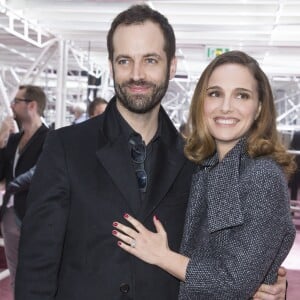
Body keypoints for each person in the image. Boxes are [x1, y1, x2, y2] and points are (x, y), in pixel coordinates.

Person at [15, 5, 287, 300]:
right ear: (111, 66)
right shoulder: (66, 147)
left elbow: (224, 257)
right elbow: (36, 266)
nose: (136, 74)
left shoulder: (195, 161)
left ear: (171, 66)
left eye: (150, 60)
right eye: (124, 61)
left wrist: (266, 282)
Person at [112, 50, 296, 299]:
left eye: (241, 95)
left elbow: (232, 282)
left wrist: (162, 256)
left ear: (259, 107)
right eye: (215, 94)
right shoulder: (200, 167)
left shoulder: (262, 176)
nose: (226, 107)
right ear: (202, 102)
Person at [0, 84, 49, 294]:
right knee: (15, 274)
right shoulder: (12, 139)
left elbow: (41, 176)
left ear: (32, 105)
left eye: (16, 101)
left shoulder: (51, 139)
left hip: (35, 217)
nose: (11, 106)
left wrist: (12, 187)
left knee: (37, 275)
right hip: (10, 215)